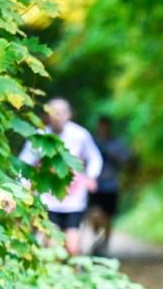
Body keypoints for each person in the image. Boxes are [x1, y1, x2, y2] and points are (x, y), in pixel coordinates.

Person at [19, 98, 103, 257]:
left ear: (69, 114)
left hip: (74, 199)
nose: (58, 116)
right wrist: (25, 183)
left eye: (62, 112)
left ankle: (74, 275)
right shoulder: (39, 136)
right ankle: (56, 278)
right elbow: (24, 162)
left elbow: (95, 157)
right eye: (53, 112)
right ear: (47, 115)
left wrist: (91, 176)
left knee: (72, 248)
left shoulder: (80, 135)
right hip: (48, 199)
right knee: (53, 247)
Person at [89, 116, 136, 257]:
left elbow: (129, 161)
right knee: (94, 214)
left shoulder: (116, 144)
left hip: (111, 186)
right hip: (95, 185)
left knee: (108, 218)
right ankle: (98, 238)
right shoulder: (93, 143)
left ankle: (105, 245)